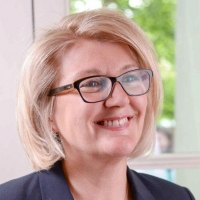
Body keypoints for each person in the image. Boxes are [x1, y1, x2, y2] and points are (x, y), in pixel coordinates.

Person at [0, 8, 195, 200]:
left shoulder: (177, 196)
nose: (119, 99)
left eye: (130, 79)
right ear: (47, 113)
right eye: (92, 83)